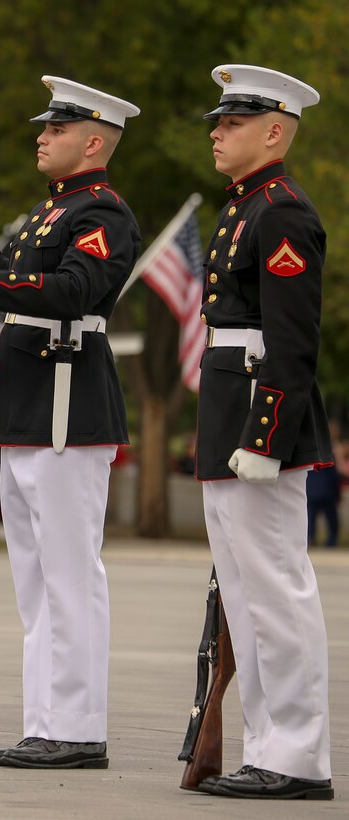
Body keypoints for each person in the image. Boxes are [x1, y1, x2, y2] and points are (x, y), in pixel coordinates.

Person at [0, 78, 141, 768]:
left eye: (57, 129)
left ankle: (77, 728)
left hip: (69, 406)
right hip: (31, 409)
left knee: (70, 575)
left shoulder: (103, 212)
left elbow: (71, 291)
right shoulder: (53, 211)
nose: (41, 136)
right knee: (35, 579)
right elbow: (8, 272)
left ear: (93, 142)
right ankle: (47, 721)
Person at [191, 64, 333, 800]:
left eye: (233, 123)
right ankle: (269, 746)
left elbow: (292, 338)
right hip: (230, 414)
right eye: (219, 122)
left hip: (258, 422)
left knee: (276, 589)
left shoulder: (280, 213)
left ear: (274, 131)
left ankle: (299, 756)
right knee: (246, 596)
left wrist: (267, 435)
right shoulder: (245, 208)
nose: (217, 133)